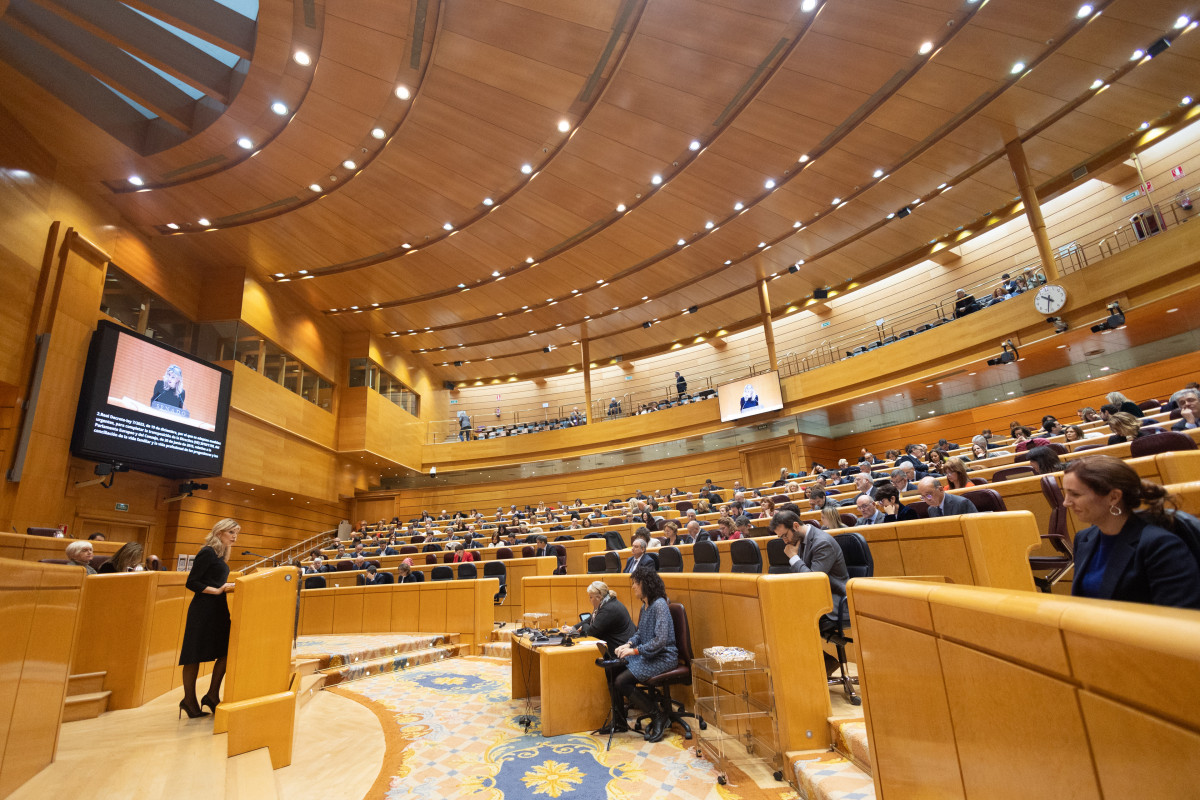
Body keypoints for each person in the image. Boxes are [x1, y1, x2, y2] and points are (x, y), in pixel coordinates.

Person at [1065, 456, 1200, 609]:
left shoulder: (1160, 545)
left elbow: (1177, 616)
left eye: (1075, 494)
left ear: (1114, 497)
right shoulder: (1084, 539)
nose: (1066, 502)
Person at [771, 509, 849, 676]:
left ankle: (820, 665)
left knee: (787, 620)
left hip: (834, 602)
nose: (784, 541)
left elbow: (812, 581)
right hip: (815, 598)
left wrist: (793, 558)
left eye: (784, 535)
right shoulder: (799, 541)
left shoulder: (822, 543)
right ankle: (819, 664)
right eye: (781, 537)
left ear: (795, 526)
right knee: (776, 614)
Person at [178, 518, 239, 719]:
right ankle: (189, 700)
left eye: (236, 533)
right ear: (220, 532)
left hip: (218, 609)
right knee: (194, 655)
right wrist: (218, 590)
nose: (235, 537)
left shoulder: (220, 555)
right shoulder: (207, 552)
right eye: (231, 532)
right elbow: (192, 582)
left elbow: (214, 580)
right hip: (203, 610)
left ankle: (212, 695)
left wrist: (226, 587)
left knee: (226, 651)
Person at [612, 567, 677, 741]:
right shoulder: (645, 606)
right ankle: (619, 721)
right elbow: (640, 633)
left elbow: (660, 640)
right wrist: (628, 644)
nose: (633, 586)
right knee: (615, 667)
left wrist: (634, 651)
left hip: (664, 657)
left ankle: (657, 715)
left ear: (646, 584)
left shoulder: (660, 605)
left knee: (621, 681)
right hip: (649, 654)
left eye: (636, 583)